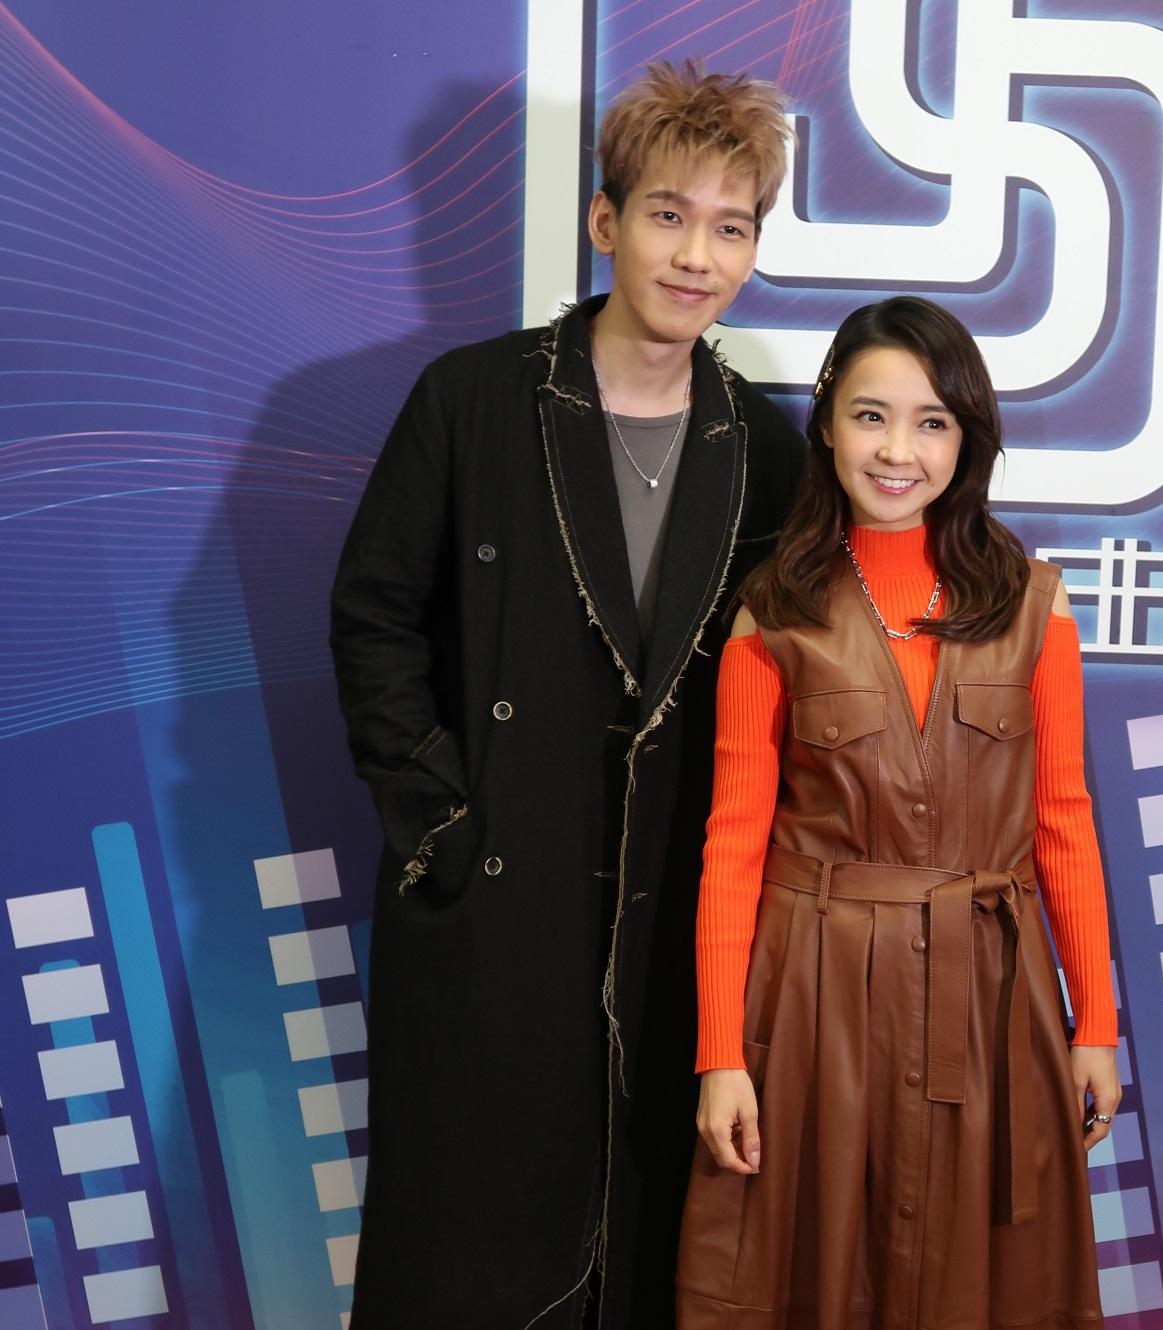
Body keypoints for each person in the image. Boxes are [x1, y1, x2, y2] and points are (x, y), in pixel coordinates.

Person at [329, 63, 804, 1328]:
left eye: (731, 226)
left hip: (669, 919)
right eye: (667, 214)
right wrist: (443, 821)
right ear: (606, 221)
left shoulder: (764, 450)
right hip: (495, 903)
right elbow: (373, 615)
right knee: (463, 1261)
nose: (696, 256)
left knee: (639, 1255)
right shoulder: (474, 399)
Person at [677, 297, 1122, 1328]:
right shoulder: (771, 612)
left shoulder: (1035, 604)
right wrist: (720, 1055)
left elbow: (1063, 821)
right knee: (810, 1278)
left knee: (988, 1284)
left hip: (992, 1001)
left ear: (967, 440)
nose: (897, 451)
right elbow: (733, 844)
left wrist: (1093, 1025)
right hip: (814, 1002)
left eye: (932, 423)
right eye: (871, 416)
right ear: (827, 424)